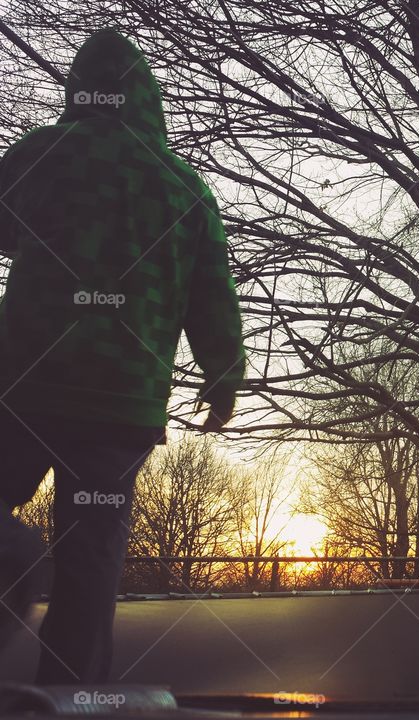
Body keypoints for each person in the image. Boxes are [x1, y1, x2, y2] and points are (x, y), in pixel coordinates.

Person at [0, 29, 245, 683]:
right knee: (90, 560)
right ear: (149, 99)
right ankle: (73, 696)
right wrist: (222, 379)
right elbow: (211, 296)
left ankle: (11, 559)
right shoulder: (186, 189)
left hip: (25, 387)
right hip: (121, 406)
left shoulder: (45, 154)